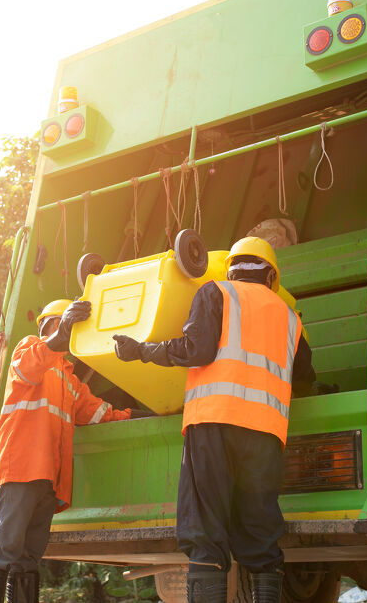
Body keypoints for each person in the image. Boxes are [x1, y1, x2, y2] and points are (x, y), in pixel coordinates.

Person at [112, 237, 314, 603]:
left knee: (205, 530)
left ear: (232, 269)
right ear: (271, 276)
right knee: (260, 528)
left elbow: (197, 350)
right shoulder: (291, 319)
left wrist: (140, 350)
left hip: (214, 424)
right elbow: (304, 379)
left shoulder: (215, 293)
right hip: (266, 433)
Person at [0, 299, 147, 603]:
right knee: (4, 550)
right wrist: (58, 338)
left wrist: (153, 413)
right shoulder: (29, 348)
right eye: (67, 327)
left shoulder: (70, 381)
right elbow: (29, 368)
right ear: (52, 325)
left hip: (47, 479)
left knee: (28, 557)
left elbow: (103, 413)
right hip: (21, 469)